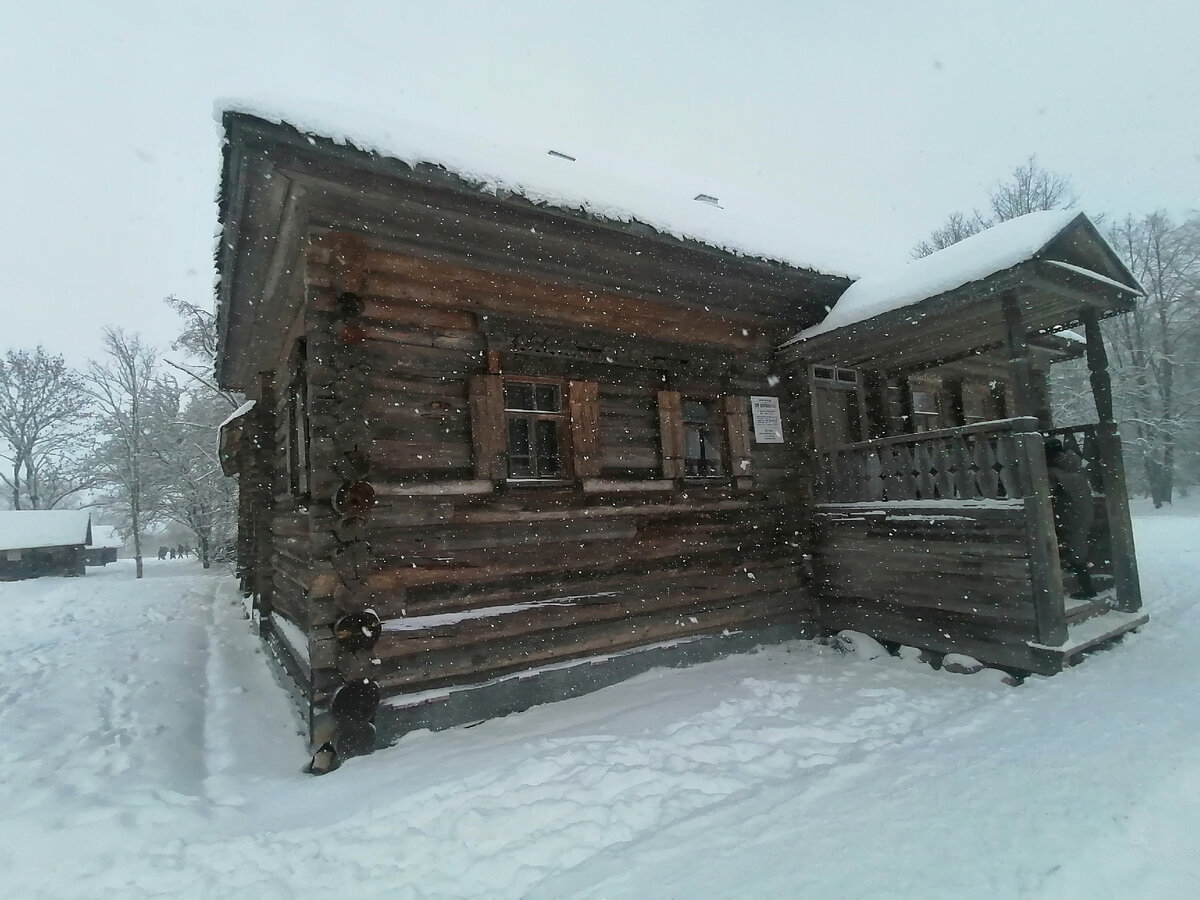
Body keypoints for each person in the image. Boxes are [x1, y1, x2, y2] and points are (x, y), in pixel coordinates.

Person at [1045, 438, 1096, 598]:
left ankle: (1088, 589)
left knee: (1076, 551)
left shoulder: (1052, 471)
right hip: (1085, 512)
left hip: (1070, 515)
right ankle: (1081, 577)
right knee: (1078, 548)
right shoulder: (1075, 465)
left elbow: (1046, 491)